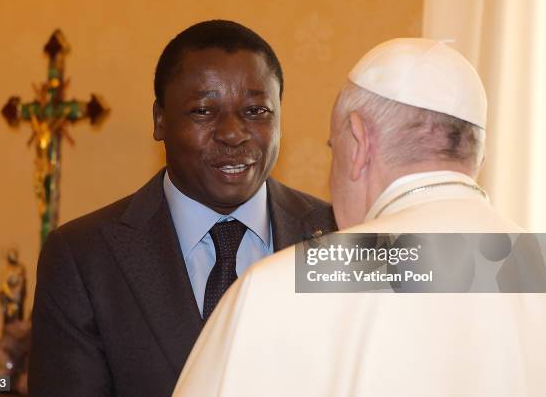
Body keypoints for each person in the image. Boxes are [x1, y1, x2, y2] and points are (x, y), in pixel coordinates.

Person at [173, 38, 546, 397]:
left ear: (358, 142)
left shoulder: (292, 281)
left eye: (334, 147)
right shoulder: (534, 265)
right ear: (478, 155)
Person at [28, 20, 336, 396]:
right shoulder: (83, 258)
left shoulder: (339, 234)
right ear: (160, 120)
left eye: (256, 111)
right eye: (204, 112)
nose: (233, 133)